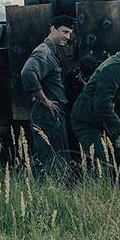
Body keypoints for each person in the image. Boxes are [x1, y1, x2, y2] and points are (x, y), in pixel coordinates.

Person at [70, 30, 120, 175]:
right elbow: (102, 103)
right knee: (102, 168)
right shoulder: (116, 67)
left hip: (102, 121)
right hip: (87, 122)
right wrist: (119, 126)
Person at [20, 15, 74, 177]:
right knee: (51, 157)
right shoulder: (44, 51)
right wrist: (45, 100)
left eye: (70, 33)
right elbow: (28, 72)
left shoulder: (53, 51)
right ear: (52, 29)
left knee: (58, 155)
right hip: (47, 113)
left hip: (53, 112)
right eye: (64, 31)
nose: (67, 36)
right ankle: (49, 191)